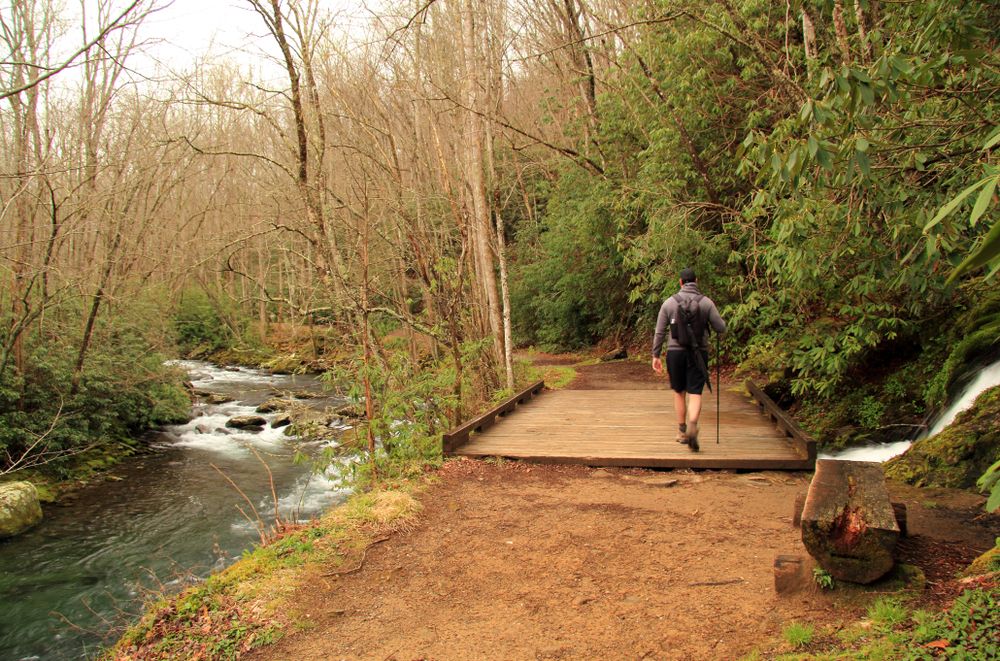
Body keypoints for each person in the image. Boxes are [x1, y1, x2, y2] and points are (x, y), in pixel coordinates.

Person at [651, 267, 726, 451]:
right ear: (696, 281)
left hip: (675, 353)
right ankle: (693, 424)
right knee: (695, 392)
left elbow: (659, 331)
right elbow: (721, 327)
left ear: (680, 282)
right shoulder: (706, 303)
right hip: (698, 353)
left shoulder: (669, 303)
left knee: (679, 392)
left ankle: (682, 431)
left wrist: (656, 355)